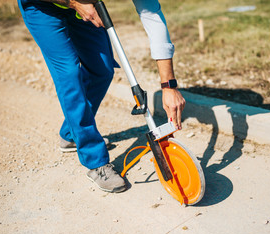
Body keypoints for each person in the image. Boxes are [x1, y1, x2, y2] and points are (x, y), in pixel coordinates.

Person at [17, 0, 185, 193]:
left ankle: (71, 134)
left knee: (102, 69)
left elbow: (152, 16)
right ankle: (95, 161)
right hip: (42, 8)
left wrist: (168, 85)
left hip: (85, 5)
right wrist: (73, 3)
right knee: (69, 75)